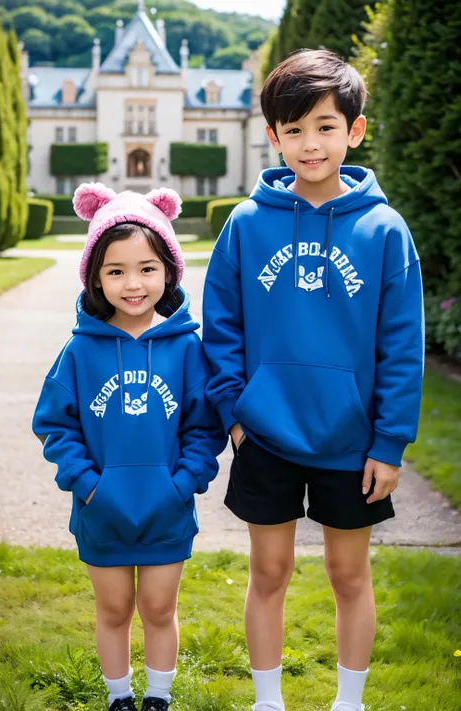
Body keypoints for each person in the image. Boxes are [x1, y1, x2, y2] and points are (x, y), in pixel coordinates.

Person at [202, 49, 424, 711]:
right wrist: (235, 417)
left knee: (348, 573)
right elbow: (222, 328)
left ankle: (347, 702)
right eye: (293, 129)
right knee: (267, 571)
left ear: (354, 131)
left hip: (352, 444)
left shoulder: (385, 230)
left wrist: (389, 442)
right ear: (272, 136)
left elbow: (401, 346)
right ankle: (267, 700)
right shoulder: (246, 224)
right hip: (265, 434)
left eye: (325, 126)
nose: (310, 142)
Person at [33, 183, 226, 711]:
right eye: (115, 270)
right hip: (103, 510)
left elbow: (204, 428)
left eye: (146, 268)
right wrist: (89, 486)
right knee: (114, 608)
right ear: (96, 278)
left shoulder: (187, 346)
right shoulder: (79, 350)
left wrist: (182, 483)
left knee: (160, 608)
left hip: (167, 507)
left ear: (168, 272)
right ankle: (119, 697)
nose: (132, 283)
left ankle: (158, 697)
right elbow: (55, 425)